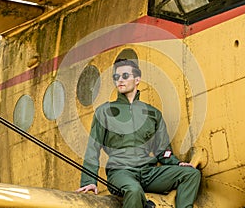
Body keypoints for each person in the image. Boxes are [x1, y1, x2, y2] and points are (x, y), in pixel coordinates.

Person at [76, 59, 201, 208]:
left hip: (148, 172)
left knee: (191, 174)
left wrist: (178, 163)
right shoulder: (104, 112)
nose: (120, 80)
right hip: (120, 173)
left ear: (137, 80)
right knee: (134, 190)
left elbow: (163, 151)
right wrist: (89, 181)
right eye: (116, 77)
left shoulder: (153, 114)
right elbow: (92, 149)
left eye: (125, 76)